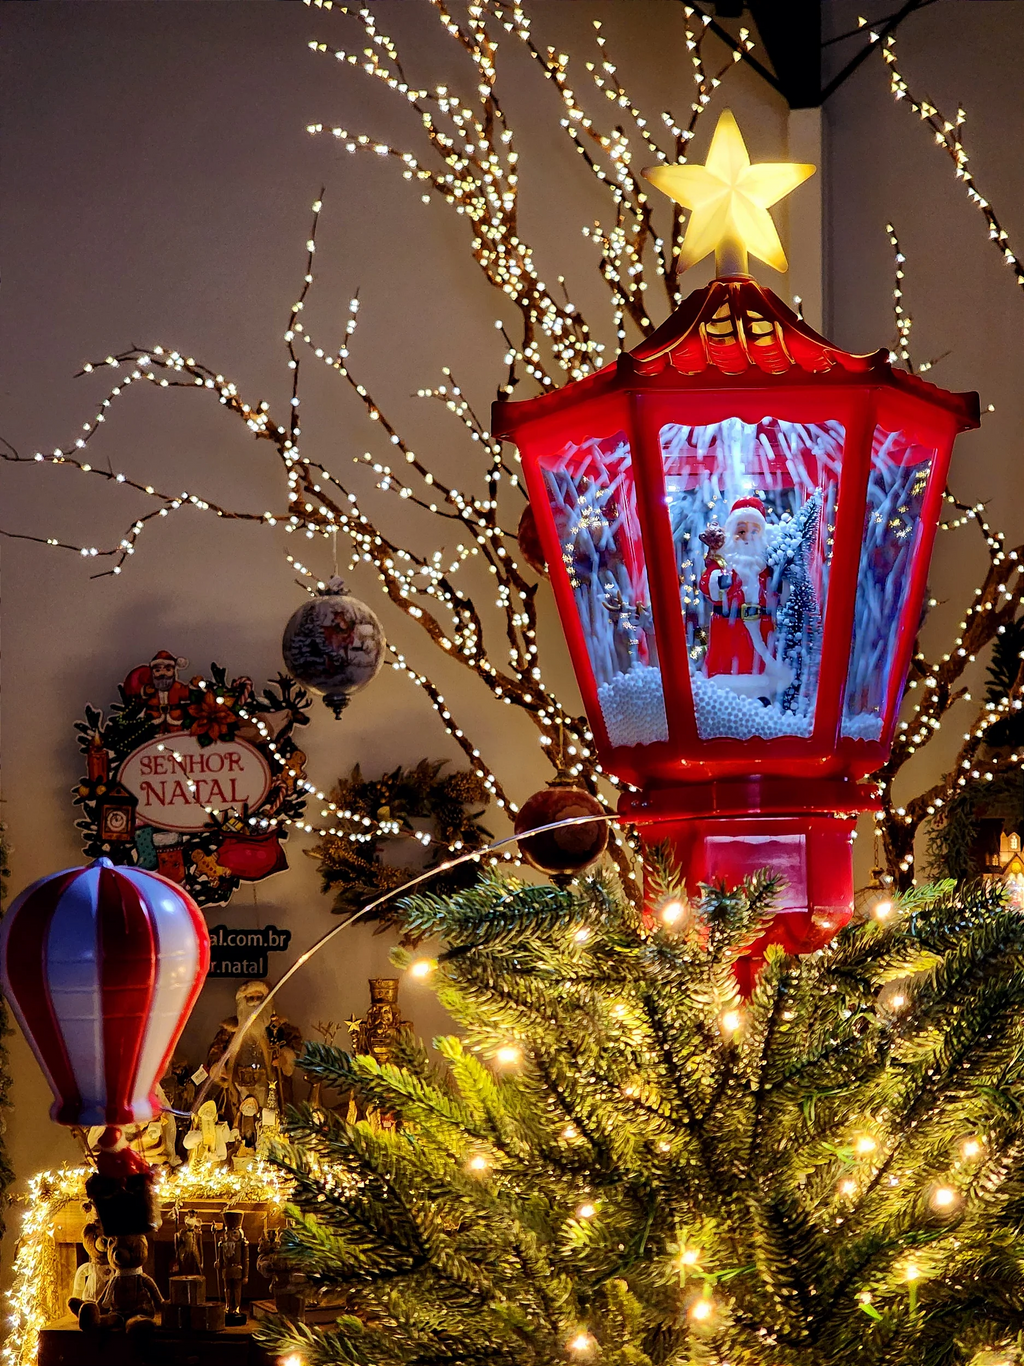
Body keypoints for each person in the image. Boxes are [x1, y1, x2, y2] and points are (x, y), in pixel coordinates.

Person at [698, 497, 791, 698]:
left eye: (754, 531)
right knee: (729, 665)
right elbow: (707, 584)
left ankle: (762, 700)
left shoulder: (768, 566)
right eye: (741, 531)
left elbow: (781, 592)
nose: (748, 536)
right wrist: (721, 581)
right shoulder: (723, 563)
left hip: (763, 626)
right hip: (729, 626)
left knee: (759, 664)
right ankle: (723, 702)